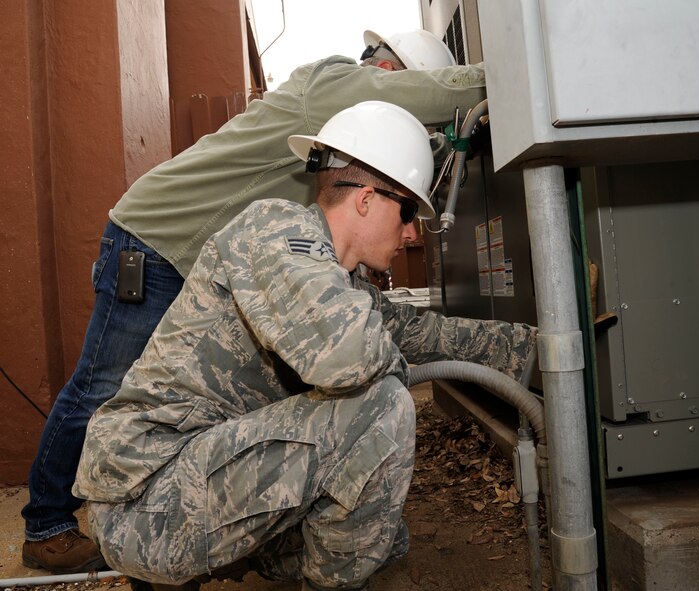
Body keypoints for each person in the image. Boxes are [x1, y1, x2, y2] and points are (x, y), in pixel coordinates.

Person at [21, 29, 487, 574]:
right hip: (158, 240)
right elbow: (423, 102)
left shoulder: (339, 177)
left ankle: (200, 512)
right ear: (390, 74)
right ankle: (48, 524)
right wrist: (499, 80)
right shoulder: (333, 85)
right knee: (100, 387)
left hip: (200, 253)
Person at [72, 100, 536, 591]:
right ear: (365, 199)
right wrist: (391, 368)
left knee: (382, 534)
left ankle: (237, 560)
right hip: (145, 500)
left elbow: (428, 334)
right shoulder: (275, 229)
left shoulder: (338, 283)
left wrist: (541, 345)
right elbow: (348, 356)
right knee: (379, 408)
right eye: (406, 212)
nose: (409, 231)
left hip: (199, 479)